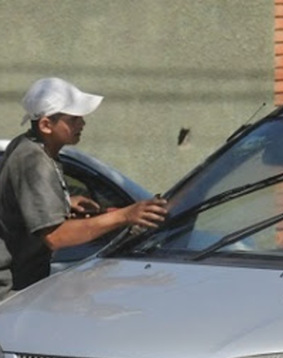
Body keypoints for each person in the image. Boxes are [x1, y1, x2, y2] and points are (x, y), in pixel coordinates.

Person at [0, 77, 168, 300]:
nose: (82, 123)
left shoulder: (26, 145)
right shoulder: (34, 161)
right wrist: (126, 215)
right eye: (73, 119)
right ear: (46, 125)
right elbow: (55, 237)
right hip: (12, 293)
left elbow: (17, 202)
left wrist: (63, 202)